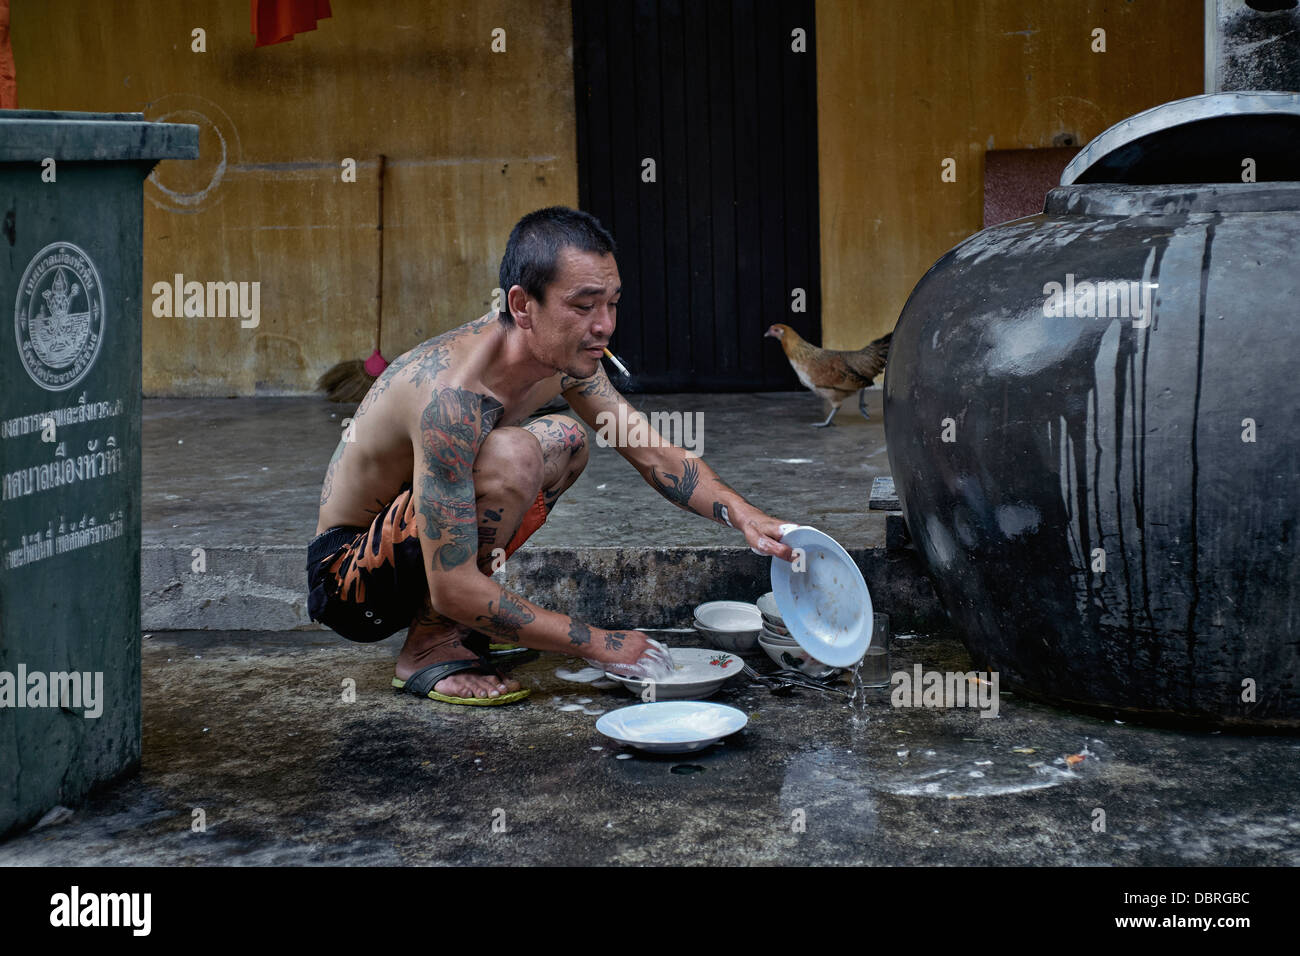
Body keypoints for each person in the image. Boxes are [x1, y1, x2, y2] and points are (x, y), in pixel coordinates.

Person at [306, 206, 796, 706]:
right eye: (583, 306)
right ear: (522, 305)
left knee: (565, 439)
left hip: (418, 547)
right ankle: (429, 647)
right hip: (350, 582)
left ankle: (464, 626)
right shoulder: (451, 397)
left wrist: (746, 516)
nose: (604, 325)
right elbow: (451, 584)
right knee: (514, 453)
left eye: (612, 303)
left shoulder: (564, 361)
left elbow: (654, 454)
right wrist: (598, 642)